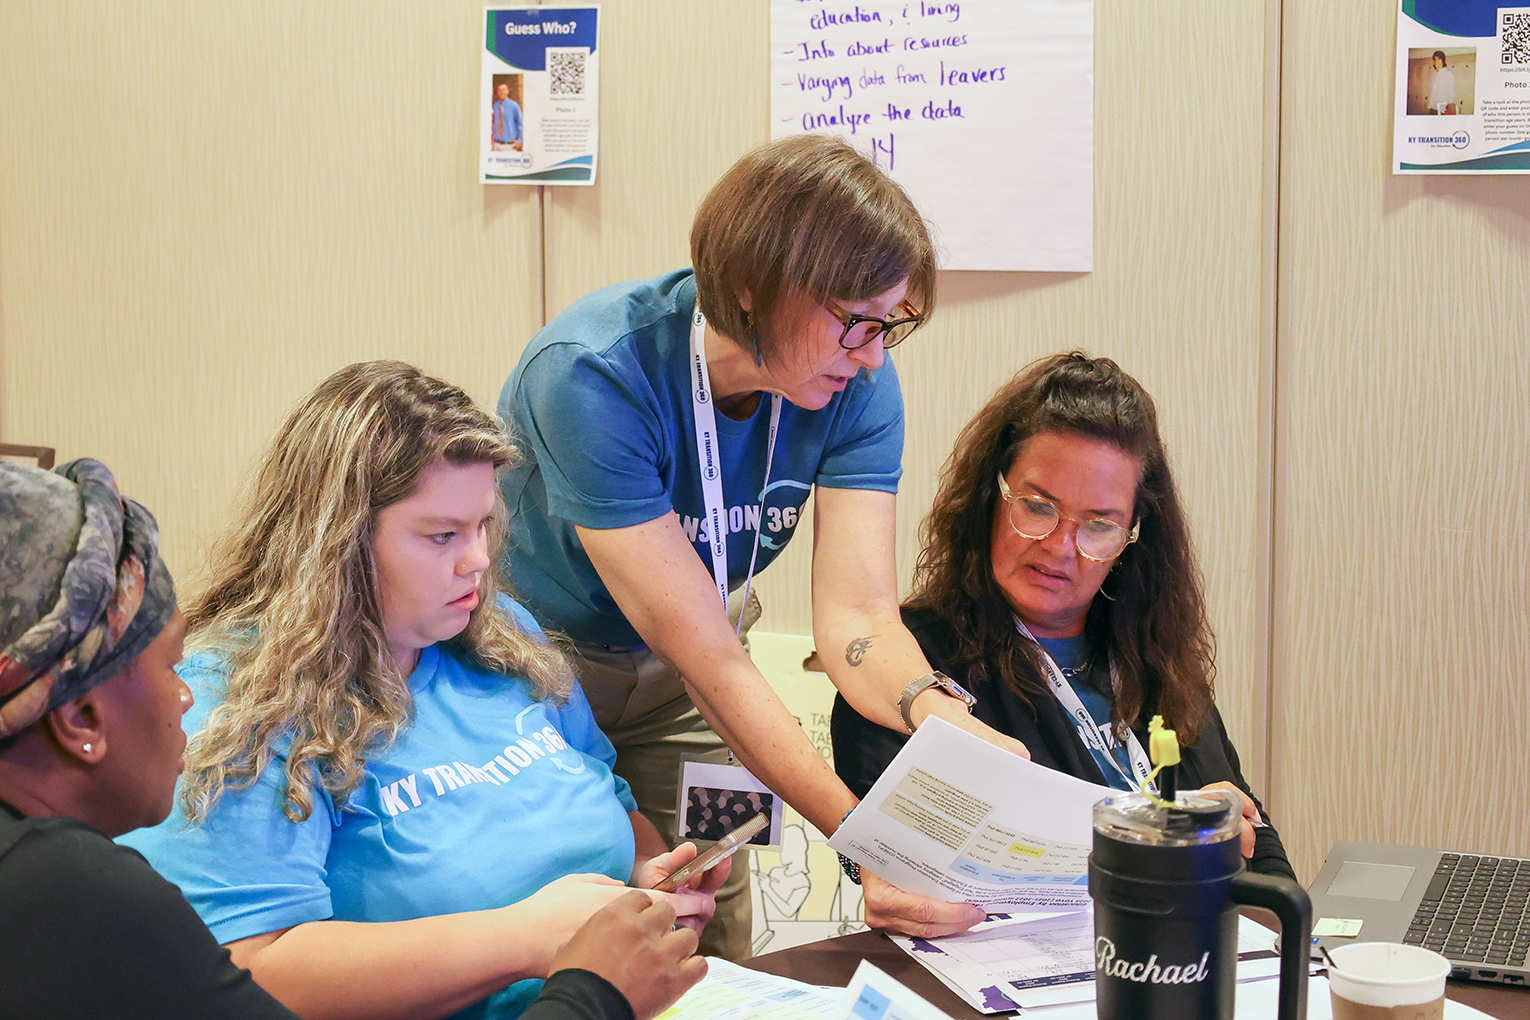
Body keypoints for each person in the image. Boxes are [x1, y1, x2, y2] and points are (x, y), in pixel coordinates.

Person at [498, 133, 1026, 956]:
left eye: (892, 324)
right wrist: (865, 843)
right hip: (540, 682)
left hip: (688, 682)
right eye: (856, 323)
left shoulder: (855, 382)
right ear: (752, 289)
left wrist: (938, 713)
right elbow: (711, 661)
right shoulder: (594, 374)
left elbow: (859, 622)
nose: (874, 357)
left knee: (721, 912)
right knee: (596, 923)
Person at [122, 362, 722, 1020]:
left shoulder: (502, 641)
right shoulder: (239, 709)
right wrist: (528, 940)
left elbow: (609, 796)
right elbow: (246, 972)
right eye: (441, 535)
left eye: (481, 527)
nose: (478, 561)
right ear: (337, 547)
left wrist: (646, 882)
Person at [831, 353, 1295, 879]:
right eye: (1037, 506)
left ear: (1131, 538)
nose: (1059, 547)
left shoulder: (1152, 658)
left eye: (1099, 524)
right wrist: (1173, 842)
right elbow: (917, 869)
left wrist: (1227, 835)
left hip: (1176, 954)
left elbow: (1261, 848)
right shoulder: (909, 660)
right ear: (991, 496)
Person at [492, 82, 524, 151]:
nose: (502, 92)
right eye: (499, 90)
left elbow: (520, 123)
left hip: (509, 145)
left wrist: (519, 140)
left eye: (504, 90)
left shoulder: (514, 105)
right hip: (496, 144)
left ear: (508, 91)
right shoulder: (495, 105)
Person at [1430, 51, 1457, 115]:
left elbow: (1451, 93)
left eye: (1439, 59)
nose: (1436, 62)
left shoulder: (1448, 74)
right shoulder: (1435, 75)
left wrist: (1449, 109)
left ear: (1443, 60)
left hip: (1442, 110)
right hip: (1433, 108)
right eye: (1435, 59)